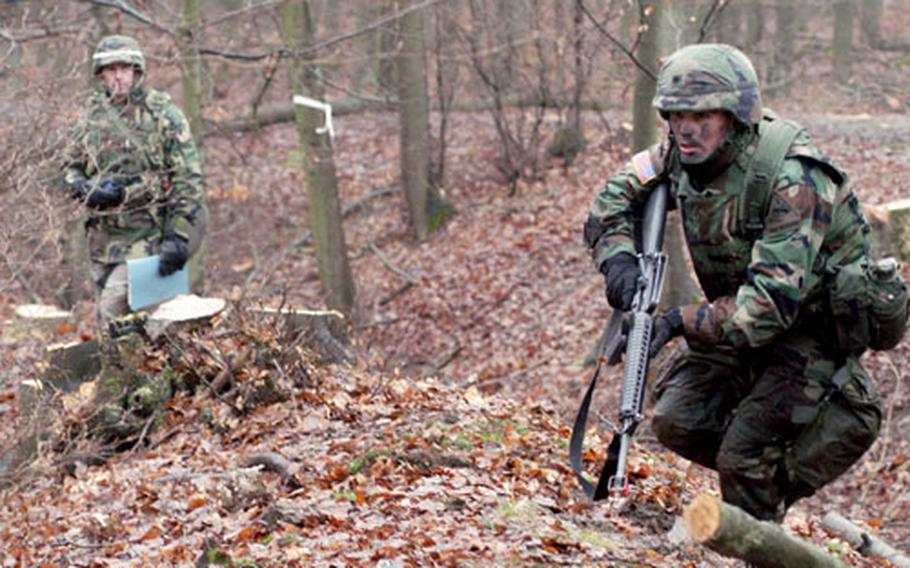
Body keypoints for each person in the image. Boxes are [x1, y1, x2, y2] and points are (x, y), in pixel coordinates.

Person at [583, 43, 884, 522]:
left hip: (811, 332)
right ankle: (755, 482)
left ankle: (830, 428)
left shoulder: (795, 178)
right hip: (742, 326)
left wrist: (677, 322)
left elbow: (765, 308)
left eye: (702, 114)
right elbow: (610, 201)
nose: (685, 127)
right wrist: (620, 263)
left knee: (741, 457)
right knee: (675, 419)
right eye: (675, 114)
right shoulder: (679, 155)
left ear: (737, 115)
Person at [62, 35, 206, 331]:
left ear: (136, 70)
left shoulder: (163, 115)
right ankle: (128, 376)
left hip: (148, 237)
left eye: (124, 68)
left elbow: (188, 178)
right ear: (101, 73)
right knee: (116, 327)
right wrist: (81, 187)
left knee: (117, 312)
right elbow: (69, 165)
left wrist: (178, 236)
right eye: (111, 69)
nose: (118, 76)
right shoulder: (89, 117)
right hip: (102, 242)